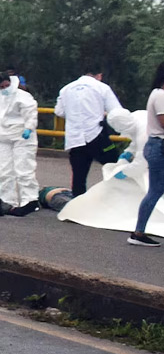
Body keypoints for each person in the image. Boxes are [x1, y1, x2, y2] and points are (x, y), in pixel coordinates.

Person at [0, 72, 40, 215]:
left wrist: (29, 128)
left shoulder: (22, 96)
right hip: (4, 135)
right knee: (3, 170)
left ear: (10, 81)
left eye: (6, 85)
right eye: (1, 86)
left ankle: (30, 201)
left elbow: (31, 113)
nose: (4, 88)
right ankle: (8, 201)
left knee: (24, 169)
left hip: (22, 135)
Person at [54, 62, 122, 196]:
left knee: (79, 177)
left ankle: (77, 210)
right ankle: (118, 199)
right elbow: (116, 112)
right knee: (115, 167)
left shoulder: (66, 89)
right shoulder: (102, 87)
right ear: (99, 75)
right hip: (97, 135)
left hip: (75, 139)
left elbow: (59, 112)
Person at [129, 63, 164, 246]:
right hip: (159, 146)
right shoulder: (160, 95)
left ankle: (139, 231)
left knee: (156, 190)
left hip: (157, 146)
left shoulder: (157, 94)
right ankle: (138, 232)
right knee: (156, 190)